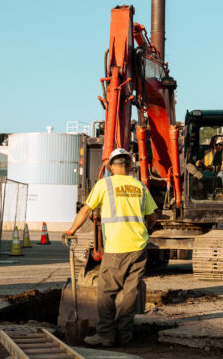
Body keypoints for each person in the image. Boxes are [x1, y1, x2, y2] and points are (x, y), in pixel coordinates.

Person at [63, 148, 157, 347]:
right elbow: (152, 217)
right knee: (130, 293)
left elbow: (86, 210)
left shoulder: (104, 185)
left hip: (116, 248)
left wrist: (71, 231)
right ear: (130, 167)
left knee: (106, 293)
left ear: (111, 167)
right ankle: (124, 335)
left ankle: (105, 335)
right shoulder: (140, 186)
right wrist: (144, 232)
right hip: (139, 247)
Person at [186, 135, 223, 199]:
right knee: (197, 175)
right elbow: (201, 162)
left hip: (221, 172)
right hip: (209, 172)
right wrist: (199, 163)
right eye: (216, 144)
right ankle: (199, 196)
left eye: (220, 144)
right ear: (213, 144)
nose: (218, 146)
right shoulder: (207, 152)